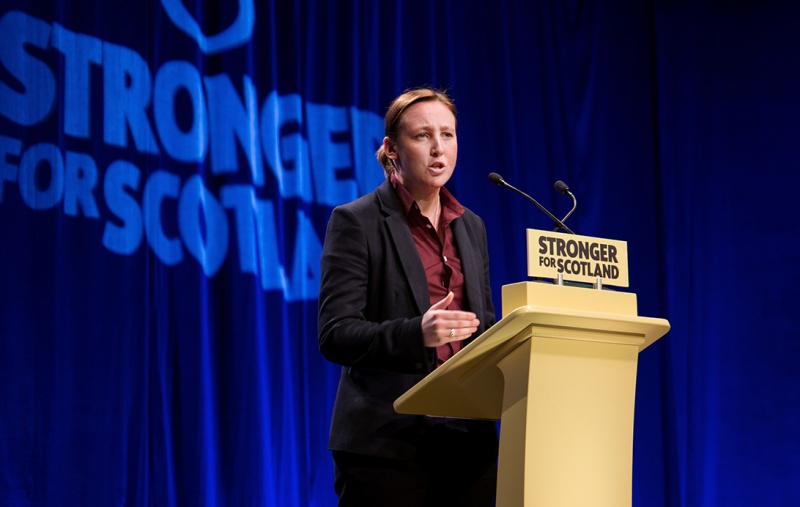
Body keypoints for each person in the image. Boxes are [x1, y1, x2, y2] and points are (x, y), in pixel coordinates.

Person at [318, 87, 498, 506]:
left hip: (467, 442)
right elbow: (335, 333)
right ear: (391, 148)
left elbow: (483, 326)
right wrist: (415, 332)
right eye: (422, 136)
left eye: (448, 135)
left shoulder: (471, 227)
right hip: (387, 445)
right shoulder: (356, 221)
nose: (439, 148)